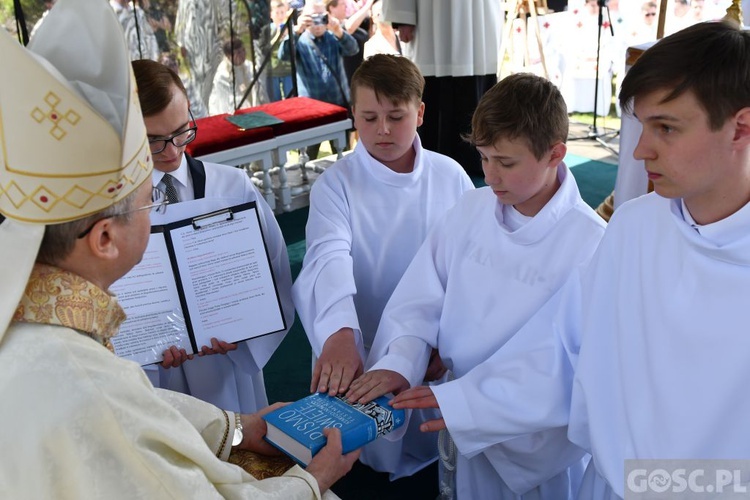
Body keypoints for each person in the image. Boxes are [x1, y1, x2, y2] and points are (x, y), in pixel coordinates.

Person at [0, 0, 357, 496]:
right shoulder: (88, 382)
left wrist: (235, 426)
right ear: (105, 239)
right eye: (146, 203)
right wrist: (312, 482)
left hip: (225, 379)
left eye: (181, 135)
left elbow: (136, 407)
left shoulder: (34, 320)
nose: (169, 158)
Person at [390, 21, 750, 499]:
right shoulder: (635, 226)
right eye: (641, 126)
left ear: (740, 128)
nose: (641, 150)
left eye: (666, 127)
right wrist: (467, 401)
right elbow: (565, 345)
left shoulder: (598, 233)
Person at [347, 73, 605, 499]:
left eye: (506, 162)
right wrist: (401, 360)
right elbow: (421, 297)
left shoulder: (590, 242)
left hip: (526, 431)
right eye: (484, 158)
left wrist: (471, 402)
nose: (491, 175)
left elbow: (571, 362)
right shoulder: (472, 208)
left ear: (555, 154)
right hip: (458, 405)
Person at [291, 54, 474, 495]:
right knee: (364, 461)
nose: (384, 130)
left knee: (431, 457)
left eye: (397, 116)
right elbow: (327, 256)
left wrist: (446, 341)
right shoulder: (336, 183)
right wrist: (338, 332)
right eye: (369, 117)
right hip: (361, 340)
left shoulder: (450, 176)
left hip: (434, 343)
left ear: (421, 113)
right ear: (353, 114)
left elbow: (468, 268)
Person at [132, 58, 294, 414]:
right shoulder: (117, 210)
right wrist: (146, 354)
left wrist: (245, 331)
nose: (173, 152)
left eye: (181, 132)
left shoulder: (232, 186)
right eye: (154, 142)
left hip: (228, 365)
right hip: (160, 376)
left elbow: (275, 268)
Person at [380, 0, 500, 176]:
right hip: (433, 21)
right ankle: (432, 167)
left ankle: (480, 162)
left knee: (475, 86)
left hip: (478, 17)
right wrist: (403, 17)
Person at [278, 0, 358, 159]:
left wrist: (338, 30)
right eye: (311, 18)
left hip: (337, 107)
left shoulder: (333, 36)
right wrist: (296, 30)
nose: (317, 23)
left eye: (321, 17)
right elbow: (283, 55)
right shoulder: (300, 40)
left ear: (327, 16)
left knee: (342, 156)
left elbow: (353, 49)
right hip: (311, 112)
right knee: (308, 159)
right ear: (304, 18)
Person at [209, 37, 268, 115]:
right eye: (238, 52)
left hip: (254, 113)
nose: (243, 54)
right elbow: (226, 105)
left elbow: (259, 86)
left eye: (243, 50)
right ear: (229, 56)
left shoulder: (248, 65)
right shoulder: (223, 76)